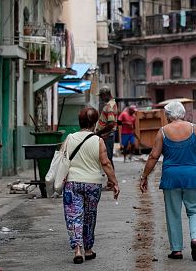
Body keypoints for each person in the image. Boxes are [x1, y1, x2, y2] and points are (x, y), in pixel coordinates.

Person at [140, 101, 196, 261]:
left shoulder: (162, 132)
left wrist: (144, 176)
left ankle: (176, 250)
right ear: (182, 113)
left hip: (171, 178)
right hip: (192, 176)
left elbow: (153, 156)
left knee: (173, 213)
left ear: (168, 115)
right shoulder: (195, 129)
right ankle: (195, 239)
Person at [63, 107, 120, 264]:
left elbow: (63, 159)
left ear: (79, 122)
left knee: (73, 216)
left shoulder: (69, 138)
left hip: (72, 183)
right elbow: (106, 163)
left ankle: (77, 250)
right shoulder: (98, 141)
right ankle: (88, 249)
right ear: (95, 123)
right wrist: (114, 182)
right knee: (89, 216)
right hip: (93, 185)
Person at [95, 86, 118, 168]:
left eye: (101, 96)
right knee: (107, 158)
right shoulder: (111, 104)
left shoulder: (110, 106)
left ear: (105, 95)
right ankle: (111, 179)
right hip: (106, 135)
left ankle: (112, 179)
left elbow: (111, 124)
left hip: (107, 135)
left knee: (108, 159)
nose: (101, 98)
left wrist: (99, 132)